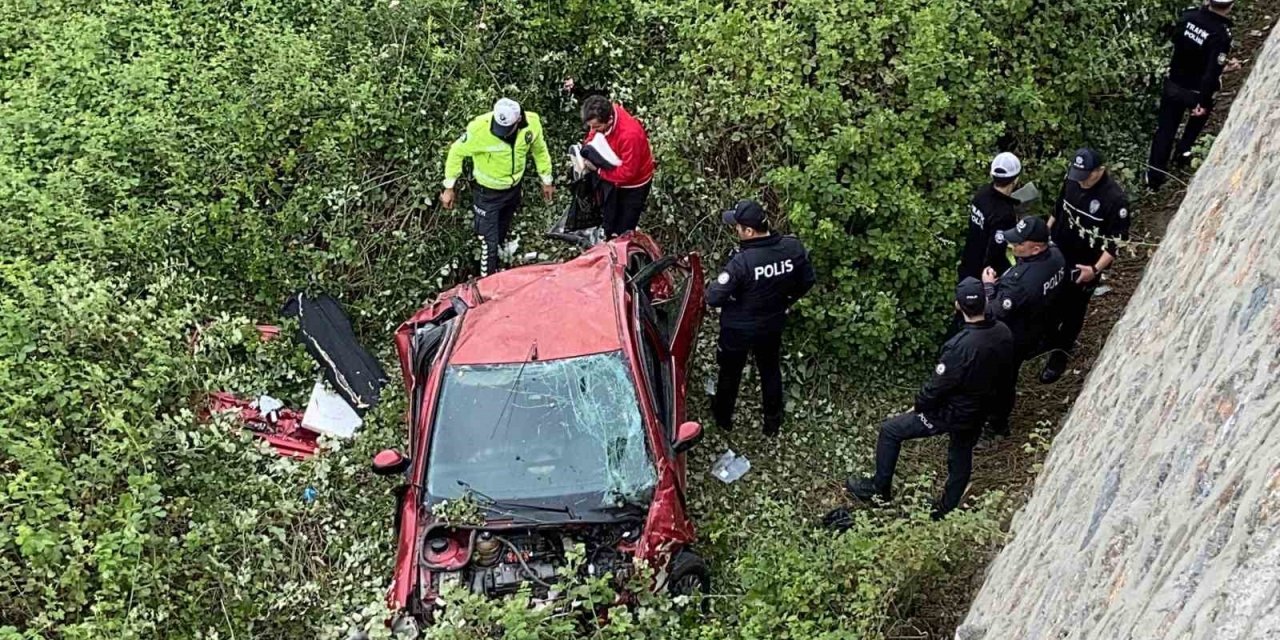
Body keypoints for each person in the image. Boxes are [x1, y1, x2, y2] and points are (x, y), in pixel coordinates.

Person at [845, 278, 1014, 519]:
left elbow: (936, 387)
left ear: (958, 305)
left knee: (891, 431)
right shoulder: (1003, 331)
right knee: (961, 453)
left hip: (952, 411)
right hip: (981, 407)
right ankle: (947, 507)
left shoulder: (959, 347)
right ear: (986, 300)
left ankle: (879, 489)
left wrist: (919, 407)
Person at [707, 200, 816, 437]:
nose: (735, 230)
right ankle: (772, 423)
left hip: (738, 329)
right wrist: (786, 301)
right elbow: (808, 280)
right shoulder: (792, 248)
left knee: (730, 372)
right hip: (771, 324)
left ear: (749, 231)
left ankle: (723, 418)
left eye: (737, 226)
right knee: (770, 370)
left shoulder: (742, 262)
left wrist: (732, 297)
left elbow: (713, 297)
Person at [1039, 149, 1131, 384]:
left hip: (1084, 265)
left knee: (1073, 311)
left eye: (1085, 175)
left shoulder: (1114, 199)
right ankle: (1046, 338)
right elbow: (1057, 210)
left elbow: (1114, 244)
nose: (1080, 179)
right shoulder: (1072, 181)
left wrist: (1095, 270)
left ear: (1100, 170)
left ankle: (1059, 355)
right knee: (1050, 299)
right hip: (1056, 254)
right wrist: (1045, 237)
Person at [441, 98, 555, 276]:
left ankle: (500, 263)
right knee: (488, 243)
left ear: (518, 121)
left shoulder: (531, 124)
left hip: (513, 190)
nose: (499, 133)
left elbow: (540, 151)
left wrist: (546, 180)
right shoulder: (479, 129)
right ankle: (486, 283)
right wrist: (449, 186)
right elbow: (456, 152)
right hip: (487, 195)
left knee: (502, 228)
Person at [980, 216, 1065, 444]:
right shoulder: (1056, 255)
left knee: (1003, 381)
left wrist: (988, 286)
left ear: (1035, 248)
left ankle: (997, 425)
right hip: (1040, 323)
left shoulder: (1020, 282)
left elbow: (994, 311)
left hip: (1015, 335)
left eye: (1019, 244)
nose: (1013, 246)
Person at [1145, 0, 1237, 189]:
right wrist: (1203, 101)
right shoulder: (1220, 34)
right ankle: (1183, 153)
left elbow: (1178, 42)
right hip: (1195, 91)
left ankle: (1154, 179)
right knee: (1195, 124)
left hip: (1174, 83)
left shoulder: (1188, 16)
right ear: (1231, 5)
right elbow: (1210, 73)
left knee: (1164, 131)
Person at [577, 95, 656, 237]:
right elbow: (593, 135)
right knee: (609, 221)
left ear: (610, 120)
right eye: (591, 127)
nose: (593, 130)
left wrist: (600, 171)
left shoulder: (630, 135)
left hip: (634, 185)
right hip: (613, 176)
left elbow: (628, 173)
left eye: (596, 127)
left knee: (624, 229)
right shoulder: (604, 115)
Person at [958, 152, 1023, 283]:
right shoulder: (1004, 213)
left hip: (968, 262)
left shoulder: (982, 194)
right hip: (985, 275)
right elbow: (996, 251)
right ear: (1016, 179)